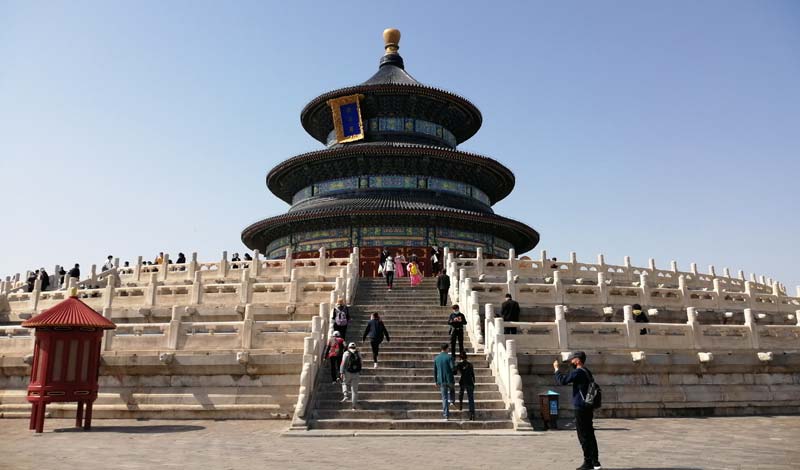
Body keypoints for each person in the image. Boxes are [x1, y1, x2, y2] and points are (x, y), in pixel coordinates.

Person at [554, 351, 601, 470]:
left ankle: (588, 462)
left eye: (572, 359)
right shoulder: (587, 371)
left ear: (578, 360)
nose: (571, 361)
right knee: (590, 433)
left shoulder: (578, 372)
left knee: (583, 435)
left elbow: (562, 381)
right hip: (588, 406)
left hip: (580, 407)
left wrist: (556, 369)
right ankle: (595, 462)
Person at [433, 343, 455, 420]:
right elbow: (452, 368)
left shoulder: (436, 358)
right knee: (452, 389)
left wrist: (435, 381)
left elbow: (435, 371)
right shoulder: (449, 357)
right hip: (449, 379)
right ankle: (452, 401)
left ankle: (446, 415)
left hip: (441, 380)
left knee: (444, 398)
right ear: (446, 349)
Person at [340, 342, 362, 410]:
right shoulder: (358, 353)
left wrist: (341, 372)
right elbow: (361, 363)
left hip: (347, 372)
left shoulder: (346, 353)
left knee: (344, 383)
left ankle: (346, 395)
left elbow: (343, 363)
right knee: (354, 391)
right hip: (356, 373)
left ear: (348, 347)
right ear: (355, 347)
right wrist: (359, 371)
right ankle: (353, 406)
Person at [455, 352, 476, 420]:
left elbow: (455, 372)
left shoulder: (459, 364)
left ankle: (460, 405)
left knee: (461, 394)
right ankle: (472, 414)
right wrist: (474, 381)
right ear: (466, 357)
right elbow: (472, 374)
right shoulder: (470, 364)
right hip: (470, 382)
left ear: (460, 358)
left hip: (463, 382)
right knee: (471, 398)